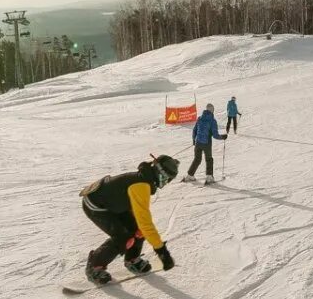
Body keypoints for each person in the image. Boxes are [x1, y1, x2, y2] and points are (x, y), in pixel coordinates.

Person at [80, 155, 179, 285]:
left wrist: (137, 226)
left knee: (138, 229)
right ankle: (94, 265)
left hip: (112, 203)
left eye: (168, 180)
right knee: (123, 237)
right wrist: (162, 252)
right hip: (96, 205)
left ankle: (132, 259)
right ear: (158, 172)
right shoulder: (141, 185)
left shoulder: (145, 179)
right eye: (165, 178)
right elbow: (146, 223)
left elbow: (135, 209)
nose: (165, 183)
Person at [183, 103, 227, 184]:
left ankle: (190, 175)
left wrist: (194, 140)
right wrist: (223, 137)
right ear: (212, 110)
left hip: (198, 143)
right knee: (209, 159)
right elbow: (215, 135)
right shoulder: (212, 121)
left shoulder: (200, 118)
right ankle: (209, 177)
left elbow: (194, 130)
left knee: (197, 159)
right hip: (206, 143)